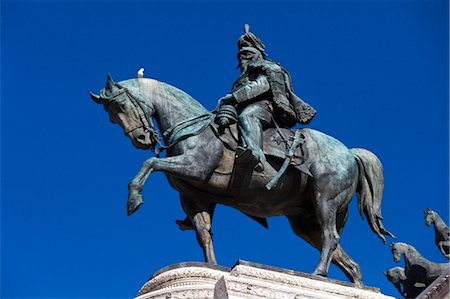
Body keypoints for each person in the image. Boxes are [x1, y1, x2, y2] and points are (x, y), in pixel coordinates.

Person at [217, 25, 316, 171]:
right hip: (240, 107)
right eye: (241, 56)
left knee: (247, 117)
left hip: (264, 108)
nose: (243, 59)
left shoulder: (267, 68)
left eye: (247, 55)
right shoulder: (242, 77)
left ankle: (254, 154)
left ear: (257, 55)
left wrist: (234, 97)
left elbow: (261, 86)